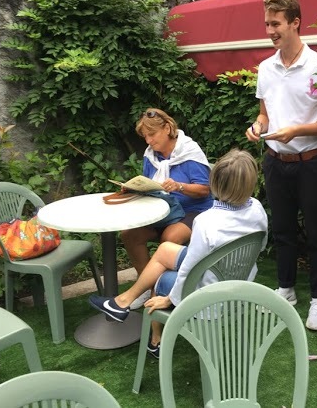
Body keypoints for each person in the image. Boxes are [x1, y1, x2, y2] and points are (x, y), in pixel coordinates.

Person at [90, 149, 268, 357]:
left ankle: (157, 341)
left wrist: (172, 298)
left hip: (210, 291)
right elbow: (260, 245)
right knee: (165, 250)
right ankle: (122, 302)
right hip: (238, 279)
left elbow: (190, 269)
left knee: (161, 277)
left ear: (216, 182)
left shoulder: (207, 222)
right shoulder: (257, 208)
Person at [245, 0, 317, 331]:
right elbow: (264, 114)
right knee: (282, 231)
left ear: (295, 22)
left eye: (276, 23)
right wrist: (257, 127)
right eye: (267, 23)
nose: (270, 30)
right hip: (275, 161)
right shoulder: (266, 68)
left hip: (311, 162)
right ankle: (286, 290)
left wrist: (297, 129)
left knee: (316, 234)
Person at [121, 108, 214, 309]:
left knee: (169, 239)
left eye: (152, 135)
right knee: (129, 234)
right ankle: (147, 287)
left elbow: (205, 190)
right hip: (162, 210)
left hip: (194, 210)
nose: (148, 141)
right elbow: (147, 184)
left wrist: (180, 186)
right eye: (145, 136)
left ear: (167, 128)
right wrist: (132, 189)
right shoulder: (151, 155)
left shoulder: (190, 151)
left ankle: (163, 292)